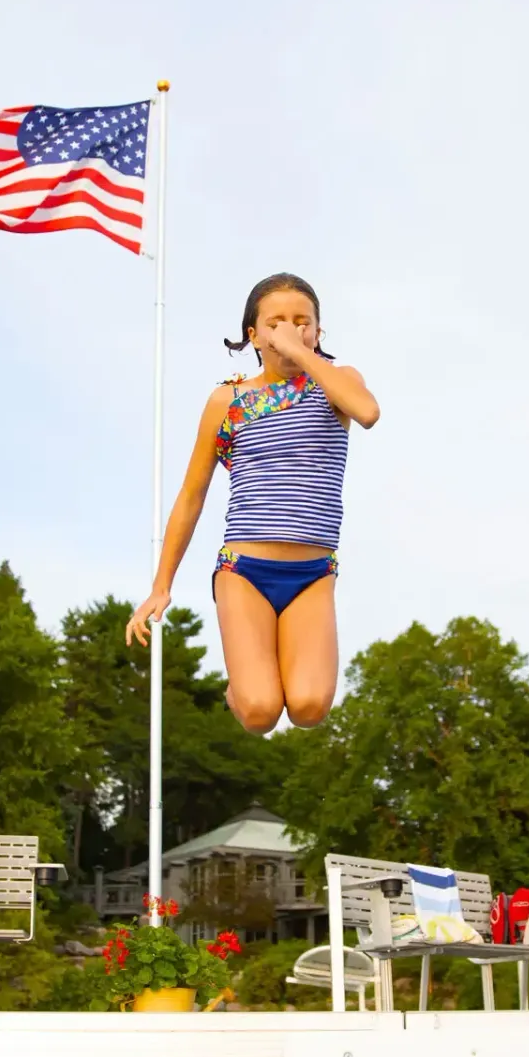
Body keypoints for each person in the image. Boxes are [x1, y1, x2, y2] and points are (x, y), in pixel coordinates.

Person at [126, 273, 380, 733]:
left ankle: (266, 672)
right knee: (261, 712)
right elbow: (192, 494)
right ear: (254, 335)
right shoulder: (228, 399)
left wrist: (303, 354)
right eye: (276, 321)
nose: (290, 329)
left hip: (313, 573)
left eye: (303, 322)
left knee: (307, 708)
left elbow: (367, 413)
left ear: (319, 332)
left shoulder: (337, 383)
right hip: (245, 570)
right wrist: (162, 585)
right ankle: (240, 689)